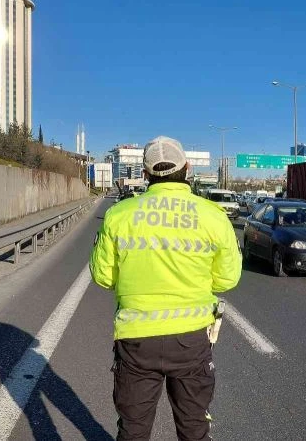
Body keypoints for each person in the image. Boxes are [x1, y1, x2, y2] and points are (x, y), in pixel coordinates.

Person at [90, 136, 242, 440]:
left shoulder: (119, 215)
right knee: (194, 428)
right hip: (191, 340)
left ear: (145, 175)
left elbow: (104, 277)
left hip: (136, 341)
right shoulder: (213, 216)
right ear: (186, 168)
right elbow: (227, 280)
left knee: (133, 430)